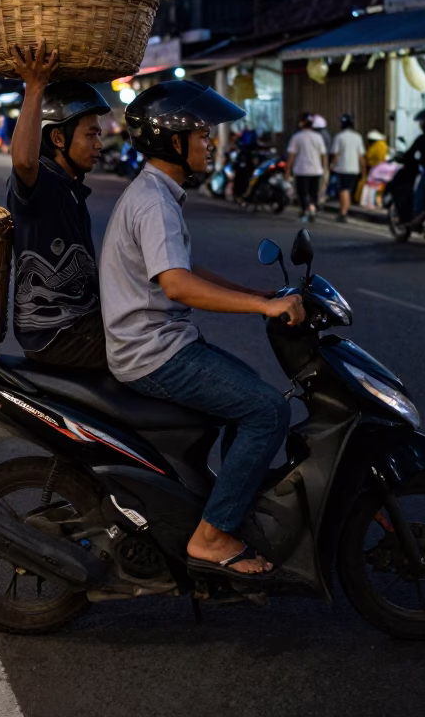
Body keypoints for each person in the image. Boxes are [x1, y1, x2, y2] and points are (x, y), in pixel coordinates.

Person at [100, 80, 304, 581]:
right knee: (267, 409)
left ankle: (229, 507)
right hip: (154, 354)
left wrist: (261, 296)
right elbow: (177, 286)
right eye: (202, 135)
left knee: (252, 396)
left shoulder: (157, 193)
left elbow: (185, 269)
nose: (210, 143)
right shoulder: (153, 201)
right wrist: (260, 305)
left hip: (160, 344)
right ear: (174, 142)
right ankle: (212, 534)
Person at [8, 43, 110, 368]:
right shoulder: (43, 185)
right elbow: (24, 161)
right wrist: (34, 87)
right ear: (56, 139)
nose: (99, 144)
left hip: (82, 324)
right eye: (91, 134)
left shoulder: (71, 188)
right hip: (58, 334)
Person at [285, 113, 328, 223]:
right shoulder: (318, 137)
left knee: (302, 193)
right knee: (313, 192)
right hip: (316, 170)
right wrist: (324, 168)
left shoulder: (297, 137)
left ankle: (305, 211)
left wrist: (288, 170)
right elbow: (323, 154)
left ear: (303, 123)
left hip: (301, 170)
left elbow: (291, 155)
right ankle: (312, 208)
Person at [330, 113, 366, 222]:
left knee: (343, 190)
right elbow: (361, 156)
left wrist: (332, 165)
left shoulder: (339, 137)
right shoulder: (358, 137)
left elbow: (336, 154)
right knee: (348, 190)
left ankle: (343, 212)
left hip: (343, 167)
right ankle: (345, 210)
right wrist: (364, 170)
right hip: (354, 168)